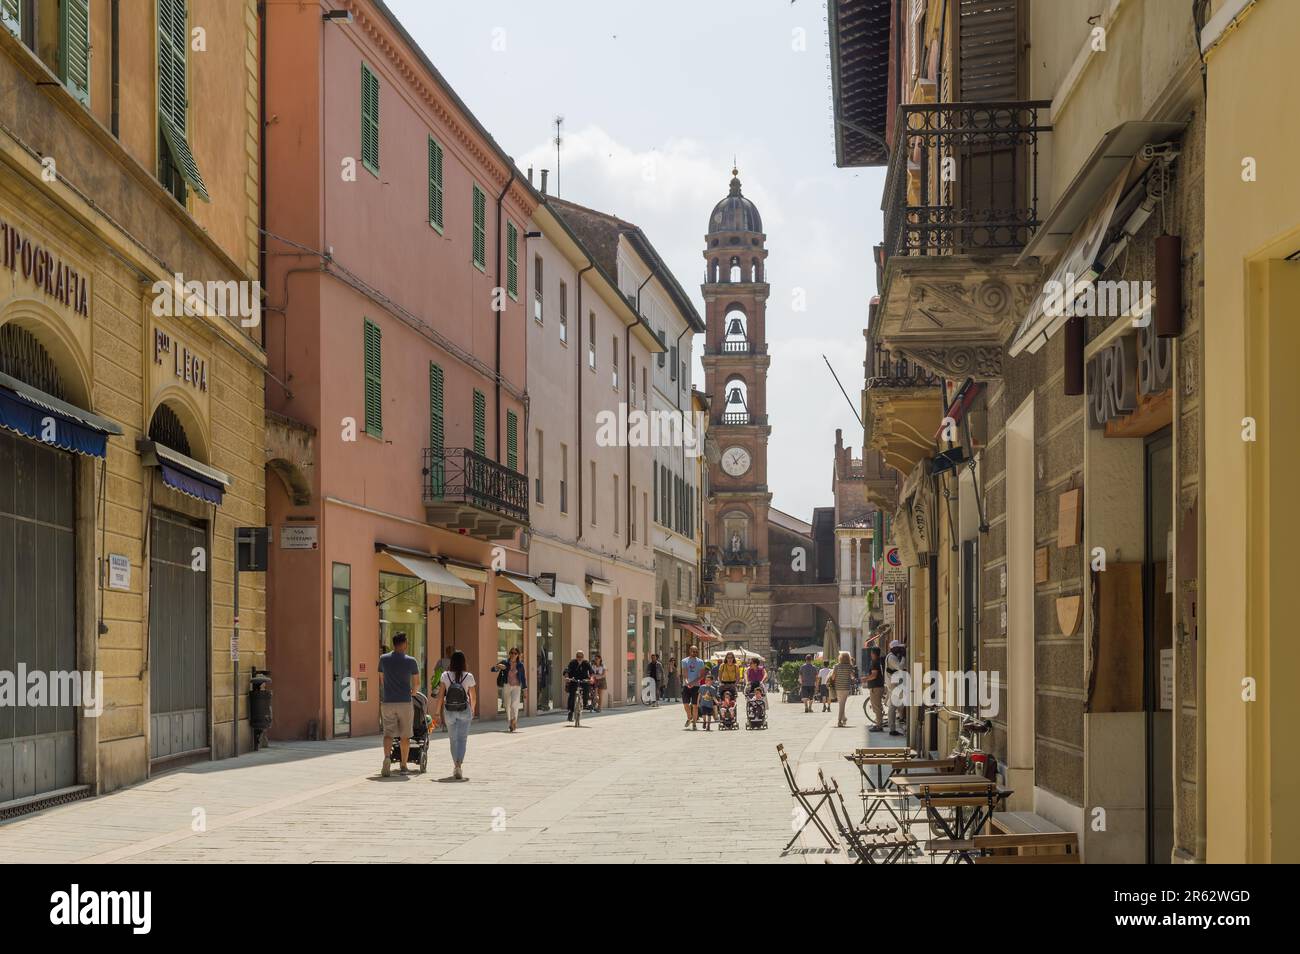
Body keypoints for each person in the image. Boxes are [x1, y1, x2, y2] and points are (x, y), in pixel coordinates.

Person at [377, 633, 421, 776]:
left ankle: (387, 758)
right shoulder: (411, 661)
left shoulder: (383, 659)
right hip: (404, 702)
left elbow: (381, 679)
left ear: (393, 644)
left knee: (388, 733)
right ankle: (403, 765)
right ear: (404, 644)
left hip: (388, 701)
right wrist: (413, 693)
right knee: (404, 736)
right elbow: (416, 684)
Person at [431, 649, 475, 780]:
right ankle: (459, 765)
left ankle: (455, 764)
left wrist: (437, 713)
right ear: (464, 662)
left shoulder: (445, 675)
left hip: (449, 710)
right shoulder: (469, 676)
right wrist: (472, 710)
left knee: (453, 739)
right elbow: (473, 696)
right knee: (463, 739)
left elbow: (440, 696)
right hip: (464, 709)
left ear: (452, 662)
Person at [490, 646, 527, 732]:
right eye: (511, 653)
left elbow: (523, 678)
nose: (513, 655)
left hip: (517, 687)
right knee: (507, 705)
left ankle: (514, 721)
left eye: (515, 653)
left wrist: (525, 691)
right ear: (509, 654)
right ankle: (510, 721)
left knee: (514, 704)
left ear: (518, 655)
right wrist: (498, 666)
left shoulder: (520, 665)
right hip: (507, 686)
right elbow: (492, 669)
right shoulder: (505, 663)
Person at [563, 651, 595, 721]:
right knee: (571, 695)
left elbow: (591, 672)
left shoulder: (586, 663)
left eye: (581, 657)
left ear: (583, 657)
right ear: (576, 656)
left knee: (586, 688)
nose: (579, 658)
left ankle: (585, 703)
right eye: (578, 656)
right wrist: (567, 677)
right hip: (574, 680)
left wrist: (591, 679)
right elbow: (566, 670)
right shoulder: (572, 662)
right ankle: (570, 712)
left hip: (583, 680)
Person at [680, 645, 707, 727]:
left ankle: (694, 723)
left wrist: (693, 683)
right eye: (693, 651)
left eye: (696, 651)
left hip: (696, 686)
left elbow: (702, 675)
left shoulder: (700, 662)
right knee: (685, 703)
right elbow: (684, 674)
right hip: (686, 685)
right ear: (690, 651)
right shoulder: (684, 661)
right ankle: (689, 717)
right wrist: (688, 683)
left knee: (695, 705)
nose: (695, 653)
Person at [885, 641, 906, 736]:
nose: (899, 650)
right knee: (893, 706)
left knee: (894, 705)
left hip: (892, 683)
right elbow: (900, 667)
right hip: (893, 684)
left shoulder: (891, 656)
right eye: (898, 648)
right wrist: (904, 656)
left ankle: (895, 725)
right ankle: (892, 729)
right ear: (893, 648)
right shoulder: (892, 657)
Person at [864, 645, 886, 732]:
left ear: (873, 653)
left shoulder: (874, 662)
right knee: (877, 706)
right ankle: (879, 723)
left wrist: (865, 679)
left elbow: (874, 675)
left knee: (876, 707)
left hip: (875, 687)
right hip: (879, 685)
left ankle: (879, 726)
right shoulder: (880, 661)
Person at [833, 651, 857, 728]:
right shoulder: (849, 666)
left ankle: (843, 718)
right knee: (842, 704)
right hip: (846, 687)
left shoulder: (836, 666)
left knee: (841, 703)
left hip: (838, 687)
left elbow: (833, 677)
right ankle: (839, 720)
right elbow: (852, 677)